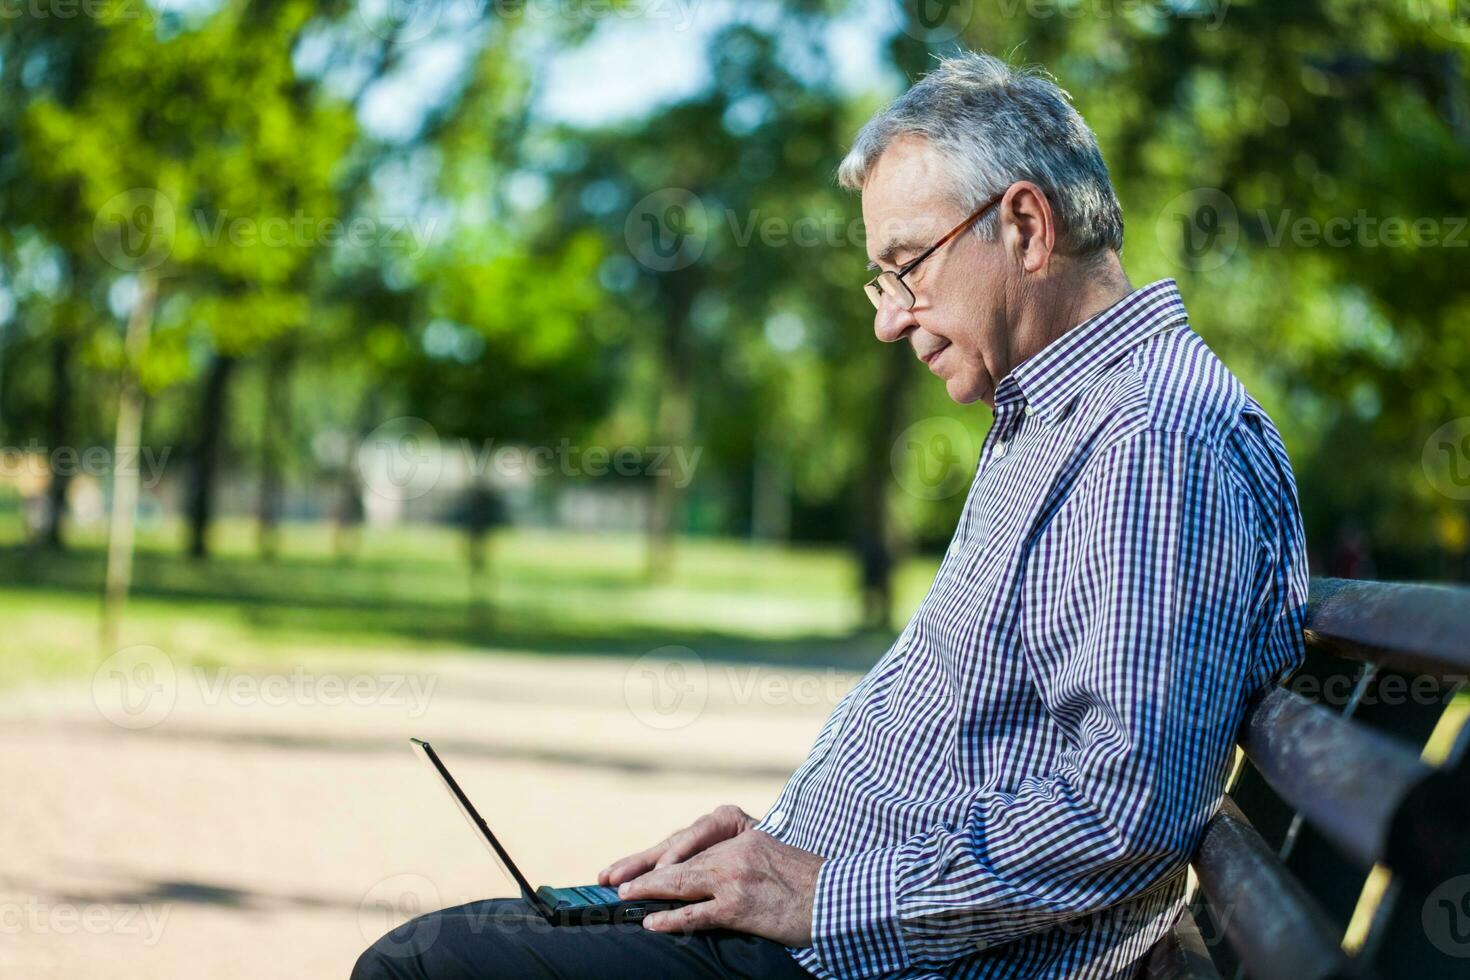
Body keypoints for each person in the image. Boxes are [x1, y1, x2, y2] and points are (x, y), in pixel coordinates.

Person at [354, 49, 1308, 980]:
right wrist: (783, 849)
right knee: (465, 938)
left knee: (425, 964)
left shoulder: (1153, 436)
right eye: (880, 280)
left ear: (1024, 225)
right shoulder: (1062, 417)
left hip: (885, 959)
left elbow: (1121, 808)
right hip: (840, 933)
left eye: (908, 266)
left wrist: (819, 891)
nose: (891, 318)